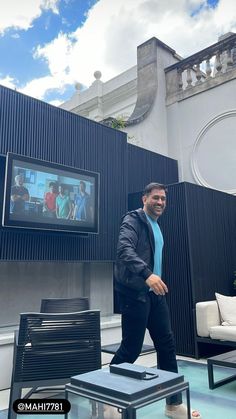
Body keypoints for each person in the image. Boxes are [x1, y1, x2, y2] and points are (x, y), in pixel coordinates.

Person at [111, 182, 201, 419]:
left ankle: (173, 404)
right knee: (131, 349)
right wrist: (148, 275)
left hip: (155, 296)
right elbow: (124, 250)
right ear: (144, 198)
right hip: (135, 294)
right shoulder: (132, 221)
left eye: (163, 199)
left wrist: (153, 280)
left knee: (167, 346)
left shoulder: (157, 226)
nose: (160, 202)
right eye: (155, 198)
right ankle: (108, 400)